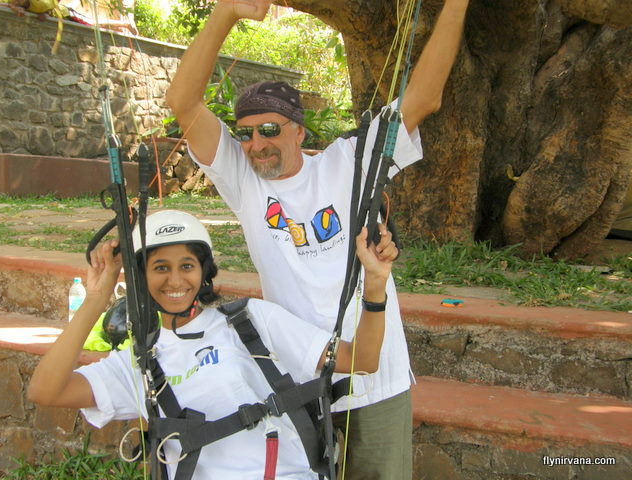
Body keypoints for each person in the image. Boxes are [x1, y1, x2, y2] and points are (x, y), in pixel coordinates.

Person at [166, 1, 470, 477]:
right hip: (297, 377)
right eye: (245, 133)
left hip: (376, 377)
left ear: (298, 130)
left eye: (269, 129)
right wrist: (227, 12)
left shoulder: (348, 161)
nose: (256, 144)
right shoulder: (243, 179)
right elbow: (183, 103)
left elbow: (424, 97)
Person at [27, 210, 397, 479]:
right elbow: (45, 391)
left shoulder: (251, 320)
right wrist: (95, 300)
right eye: (160, 267)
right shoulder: (138, 364)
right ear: (141, 277)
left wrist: (376, 285)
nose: (175, 280)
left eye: (187, 266)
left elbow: (361, 360)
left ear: (203, 271)